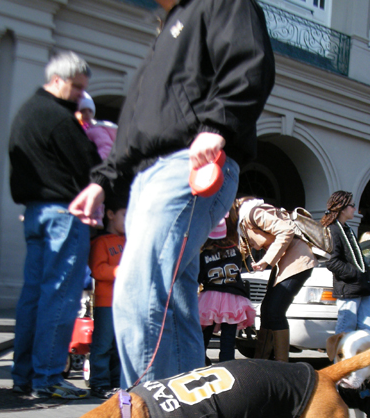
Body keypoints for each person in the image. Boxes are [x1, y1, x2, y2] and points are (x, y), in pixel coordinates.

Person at [69, 0, 275, 385]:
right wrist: (104, 179)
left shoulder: (219, 3)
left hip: (189, 161)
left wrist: (218, 123)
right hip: (152, 172)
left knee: (142, 288)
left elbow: (249, 62)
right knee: (171, 297)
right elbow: (135, 119)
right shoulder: (171, 25)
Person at [8, 51, 100, 399]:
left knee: (33, 295)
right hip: (65, 212)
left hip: (35, 212)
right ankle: (47, 377)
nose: (80, 95)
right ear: (57, 80)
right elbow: (88, 163)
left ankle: (25, 376)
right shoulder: (59, 117)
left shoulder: (27, 112)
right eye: (77, 88)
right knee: (60, 295)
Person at [236, 197, 315, 361]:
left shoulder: (253, 213)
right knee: (267, 311)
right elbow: (241, 249)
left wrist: (266, 260)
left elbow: (286, 230)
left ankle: (281, 365)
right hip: (285, 262)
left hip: (298, 260)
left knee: (275, 311)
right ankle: (261, 361)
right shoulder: (242, 226)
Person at [199, 210, 256, 363]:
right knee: (228, 336)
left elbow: (200, 276)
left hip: (211, 296)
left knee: (205, 332)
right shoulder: (235, 251)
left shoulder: (204, 254)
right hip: (233, 297)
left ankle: (200, 360)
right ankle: (227, 363)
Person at [321, 191, 370, 335]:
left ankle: (365, 358)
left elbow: (355, 257)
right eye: (352, 205)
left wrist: (365, 272)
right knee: (346, 329)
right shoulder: (333, 230)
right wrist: (355, 274)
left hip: (362, 288)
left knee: (369, 329)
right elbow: (331, 261)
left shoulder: (347, 229)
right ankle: (339, 358)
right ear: (342, 208)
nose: (355, 209)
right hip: (349, 289)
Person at [88, 200, 126, 399]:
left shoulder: (129, 241)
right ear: (110, 215)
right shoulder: (102, 242)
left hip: (125, 302)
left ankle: (116, 382)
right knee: (103, 344)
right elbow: (97, 269)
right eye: (124, 215)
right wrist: (119, 271)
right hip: (106, 302)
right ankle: (99, 383)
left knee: (119, 345)